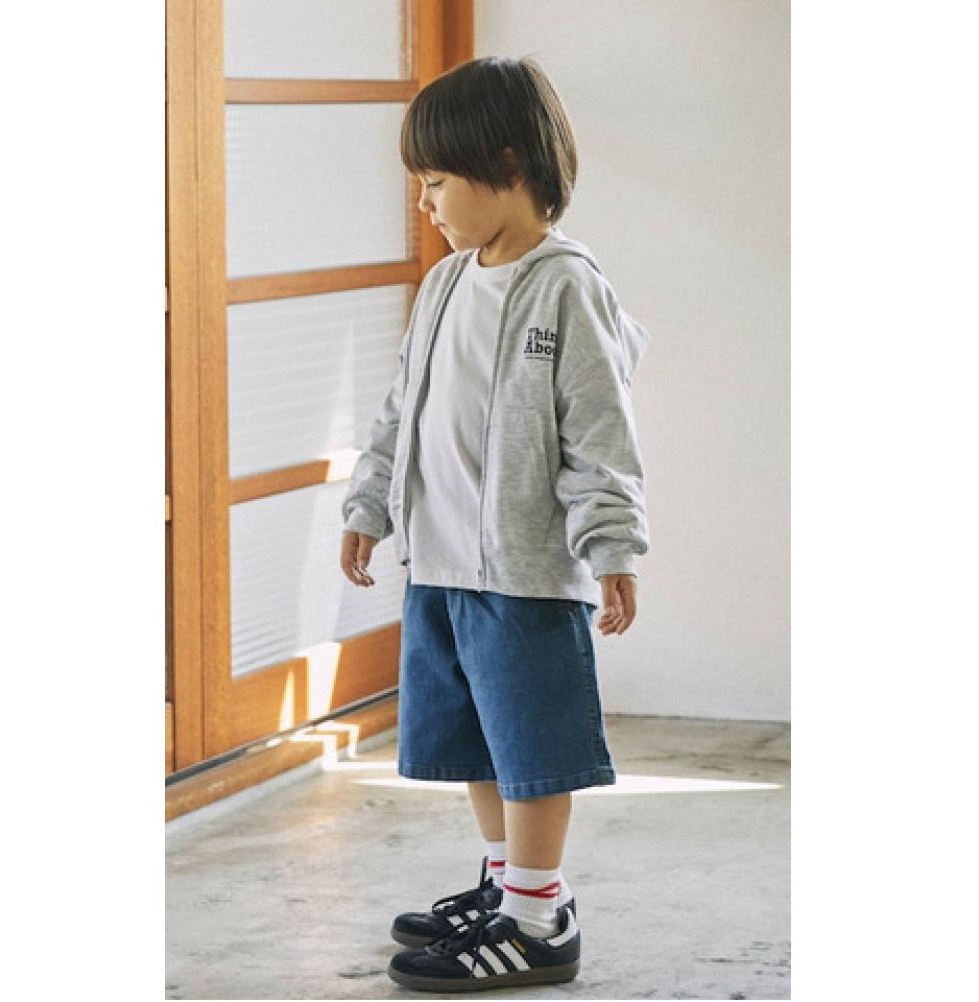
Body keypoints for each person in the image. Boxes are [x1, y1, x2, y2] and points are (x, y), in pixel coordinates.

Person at [339, 55, 649, 992]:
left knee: (532, 749)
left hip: (524, 571)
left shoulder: (567, 286)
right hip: (439, 565)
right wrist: (368, 503)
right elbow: (399, 409)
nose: (424, 202)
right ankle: (506, 883)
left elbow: (601, 432)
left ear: (507, 165)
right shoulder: (444, 285)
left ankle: (538, 918)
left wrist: (613, 546)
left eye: (436, 182)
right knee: (477, 738)